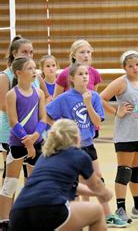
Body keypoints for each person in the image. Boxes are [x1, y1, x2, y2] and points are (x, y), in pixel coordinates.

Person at [46, 63, 128, 227]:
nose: (85, 76)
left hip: (88, 144)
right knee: (75, 182)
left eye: (86, 74)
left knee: (97, 178)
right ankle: (76, 215)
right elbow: (46, 114)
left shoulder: (94, 97)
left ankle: (108, 215)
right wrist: (60, 128)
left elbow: (97, 122)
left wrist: (88, 103)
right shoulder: (64, 98)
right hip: (70, 147)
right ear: (71, 78)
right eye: (80, 74)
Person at [9, 119, 113, 231]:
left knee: (75, 219)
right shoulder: (79, 155)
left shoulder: (45, 157)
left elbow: (70, 186)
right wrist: (106, 193)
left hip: (18, 213)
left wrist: (94, 193)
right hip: (50, 208)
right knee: (97, 211)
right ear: (75, 138)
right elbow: (96, 184)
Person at [100, 50, 138, 223]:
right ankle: (120, 209)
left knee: (136, 172)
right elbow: (101, 98)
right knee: (124, 171)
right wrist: (116, 112)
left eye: (137, 64)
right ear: (124, 67)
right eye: (130, 65)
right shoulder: (121, 82)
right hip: (125, 135)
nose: (135, 68)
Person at [0, 57, 47, 228]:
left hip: (37, 142)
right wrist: (27, 143)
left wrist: (35, 136)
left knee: (34, 183)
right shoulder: (12, 94)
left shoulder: (39, 93)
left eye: (35, 68)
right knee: (10, 182)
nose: (34, 71)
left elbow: (43, 118)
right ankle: (4, 220)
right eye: (30, 68)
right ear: (18, 72)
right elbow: (13, 121)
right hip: (18, 144)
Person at [0, 36, 50, 183]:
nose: (28, 56)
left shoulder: (35, 75)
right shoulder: (5, 76)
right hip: (11, 132)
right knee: (10, 177)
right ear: (15, 54)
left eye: (31, 52)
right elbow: (3, 105)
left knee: (33, 174)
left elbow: (47, 97)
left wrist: (41, 113)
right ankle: (7, 206)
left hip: (35, 132)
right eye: (24, 52)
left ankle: (28, 204)